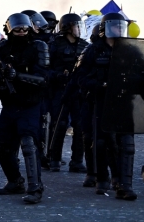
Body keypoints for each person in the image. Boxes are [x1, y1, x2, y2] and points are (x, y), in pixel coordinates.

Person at [0, 13, 50, 204]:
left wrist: (17, 75)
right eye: (17, 29)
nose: (21, 32)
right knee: (1, 146)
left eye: (24, 29)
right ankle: (15, 181)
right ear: (10, 30)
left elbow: (43, 79)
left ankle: (35, 188)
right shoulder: (2, 49)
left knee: (28, 143)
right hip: (10, 105)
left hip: (30, 104)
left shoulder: (38, 47)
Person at [76, 12, 141, 200]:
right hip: (100, 103)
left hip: (124, 104)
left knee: (127, 145)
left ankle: (124, 185)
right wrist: (101, 85)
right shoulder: (92, 51)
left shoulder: (132, 51)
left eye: (121, 26)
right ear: (105, 29)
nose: (118, 30)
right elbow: (80, 78)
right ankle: (103, 179)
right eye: (114, 26)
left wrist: (133, 82)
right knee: (103, 142)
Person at [47, 13, 89, 172]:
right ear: (68, 27)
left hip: (78, 91)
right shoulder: (54, 45)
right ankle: (54, 158)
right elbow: (45, 69)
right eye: (76, 25)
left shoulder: (84, 46)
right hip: (60, 90)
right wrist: (58, 75)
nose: (79, 29)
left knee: (80, 125)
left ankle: (77, 161)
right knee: (59, 123)